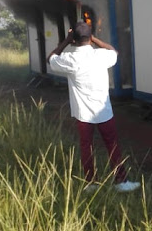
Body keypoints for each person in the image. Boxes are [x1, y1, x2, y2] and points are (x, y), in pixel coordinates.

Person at [47, 21, 140, 193]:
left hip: (83, 115)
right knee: (112, 145)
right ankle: (121, 182)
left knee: (86, 146)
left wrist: (66, 41)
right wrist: (95, 39)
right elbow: (114, 51)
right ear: (90, 37)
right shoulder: (102, 56)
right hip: (104, 111)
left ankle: (91, 184)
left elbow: (50, 59)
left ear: (74, 39)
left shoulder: (70, 59)